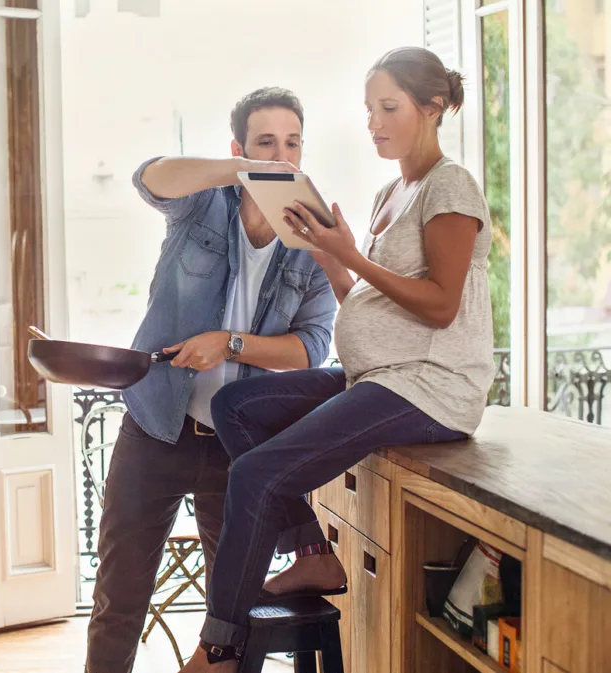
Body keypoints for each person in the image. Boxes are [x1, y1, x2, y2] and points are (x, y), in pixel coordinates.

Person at [179, 47, 496, 672]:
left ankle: (219, 650)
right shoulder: (390, 191)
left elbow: (439, 307)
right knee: (235, 405)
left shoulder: (449, 186)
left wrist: (349, 254)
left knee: (254, 474)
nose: (374, 123)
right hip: (378, 376)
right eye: (368, 110)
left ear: (431, 109)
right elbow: (369, 302)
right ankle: (312, 553)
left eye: (389, 108)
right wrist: (329, 256)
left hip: (430, 387)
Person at [84, 88, 337, 673]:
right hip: (155, 430)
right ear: (238, 148)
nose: (282, 156)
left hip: (240, 449)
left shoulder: (312, 242)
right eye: (265, 143)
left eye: (292, 144)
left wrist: (231, 344)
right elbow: (150, 178)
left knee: (235, 609)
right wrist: (244, 173)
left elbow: (312, 350)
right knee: (119, 596)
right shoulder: (204, 205)